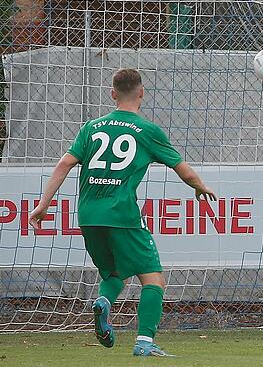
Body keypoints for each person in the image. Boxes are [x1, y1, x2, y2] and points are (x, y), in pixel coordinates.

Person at [29, 68, 216, 357]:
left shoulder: (91, 127)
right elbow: (183, 169)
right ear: (141, 92)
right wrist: (200, 186)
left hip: (89, 215)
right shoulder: (148, 131)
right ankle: (144, 342)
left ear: (112, 94)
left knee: (115, 272)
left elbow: (64, 164)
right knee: (152, 278)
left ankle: (103, 301)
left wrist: (43, 204)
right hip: (122, 214)